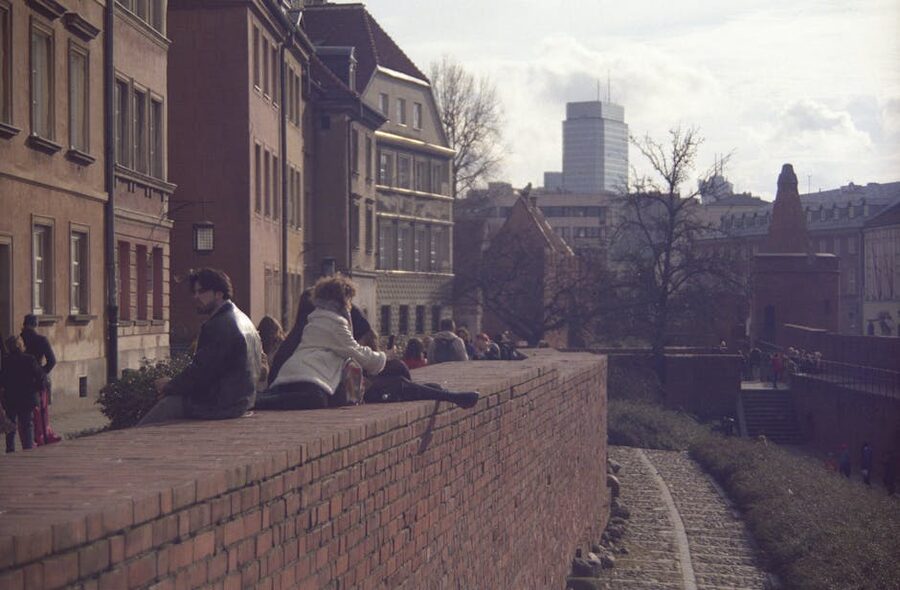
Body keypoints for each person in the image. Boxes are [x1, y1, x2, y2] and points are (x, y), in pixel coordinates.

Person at [138, 268, 263, 425]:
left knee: (163, 410)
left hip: (219, 405)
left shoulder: (219, 324)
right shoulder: (243, 320)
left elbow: (202, 371)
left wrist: (169, 386)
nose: (196, 297)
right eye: (195, 292)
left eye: (202, 291)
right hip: (240, 402)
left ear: (219, 293)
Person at [261, 275, 386, 409]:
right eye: (350, 300)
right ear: (342, 300)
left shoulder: (315, 320)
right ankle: (260, 402)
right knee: (317, 400)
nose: (351, 305)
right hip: (308, 378)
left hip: (291, 375)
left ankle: (264, 399)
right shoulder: (334, 323)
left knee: (314, 398)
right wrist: (383, 357)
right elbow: (357, 353)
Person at [21, 314, 60, 444]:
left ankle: (26, 440)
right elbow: (52, 361)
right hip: (37, 381)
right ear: (35, 324)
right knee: (41, 411)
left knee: (24, 414)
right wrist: (41, 373)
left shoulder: (18, 340)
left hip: (20, 380)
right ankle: (41, 436)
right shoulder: (41, 340)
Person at [0, 336, 44, 452]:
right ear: (21, 345)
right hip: (27, 397)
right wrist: (38, 389)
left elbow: (2, 379)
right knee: (27, 424)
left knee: (10, 425)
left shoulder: (5, 361)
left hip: (11, 398)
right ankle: (28, 449)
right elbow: (40, 376)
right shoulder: (30, 359)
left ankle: (10, 449)